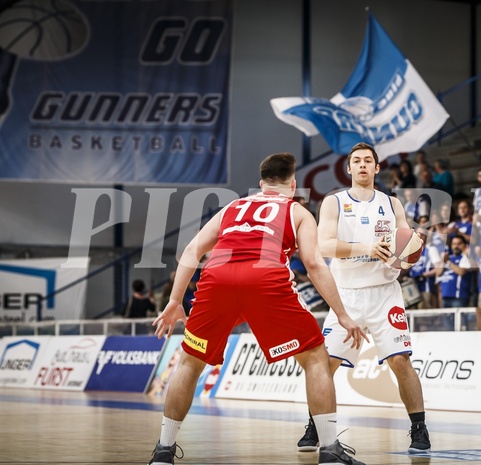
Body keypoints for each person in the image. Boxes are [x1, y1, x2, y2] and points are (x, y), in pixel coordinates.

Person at [148, 152, 368, 465]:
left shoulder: (232, 207)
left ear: (261, 184)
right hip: (265, 281)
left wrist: (173, 301)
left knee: (189, 362)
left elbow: (191, 250)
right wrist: (343, 315)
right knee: (316, 357)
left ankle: (163, 450)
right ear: (292, 185)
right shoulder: (298, 211)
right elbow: (315, 264)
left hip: (217, 279)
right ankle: (330, 449)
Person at [297, 142, 432, 455]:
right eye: (356, 161)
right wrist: (366, 248)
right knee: (324, 364)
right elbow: (325, 246)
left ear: (376, 168)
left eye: (367, 161)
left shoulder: (391, 203)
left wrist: (411, 252)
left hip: (385, 294)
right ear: (348, 168)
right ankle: (315, 426)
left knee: (401, 361)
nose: (361, 165)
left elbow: (404, 252)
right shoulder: (333, 202)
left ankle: (419, 428)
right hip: (346, 297)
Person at [437, 233, 473, 329]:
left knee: (459, 325)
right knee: (447, 326)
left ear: (464, 245)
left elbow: (461, 272)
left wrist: (448, 262)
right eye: (454, 244)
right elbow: (438, 273)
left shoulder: (465, 258)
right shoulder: (449, 257)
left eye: (459, 244)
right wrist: (443, 261)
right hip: (445, 296)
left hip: (458, 297)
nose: (456, 246)